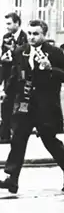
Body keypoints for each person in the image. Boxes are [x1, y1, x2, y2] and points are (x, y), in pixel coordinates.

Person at [0, 20, 64, 195]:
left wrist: (51, 69)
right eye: (30, 33)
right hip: (24, 104)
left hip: (45, 106)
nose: (32, 37)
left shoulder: (55, 53)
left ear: (44, 35)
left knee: (49, 140)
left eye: (36, 34)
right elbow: (14, 76)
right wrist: (8, 92)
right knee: (18, 139)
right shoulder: (21, 52)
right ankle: (12, 178)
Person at [0, 12, 28, 143]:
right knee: (6, 105)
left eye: (9, 23)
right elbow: (4, 55)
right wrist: (3, 58)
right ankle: (4, 135)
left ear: (17, 23)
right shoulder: (6, 37)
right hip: (8, 78)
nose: (7, 27)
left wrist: (14, 51)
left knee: (19, 108)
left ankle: (16, 135)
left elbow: (24, 58)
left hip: (20, 79)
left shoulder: (25, 38)